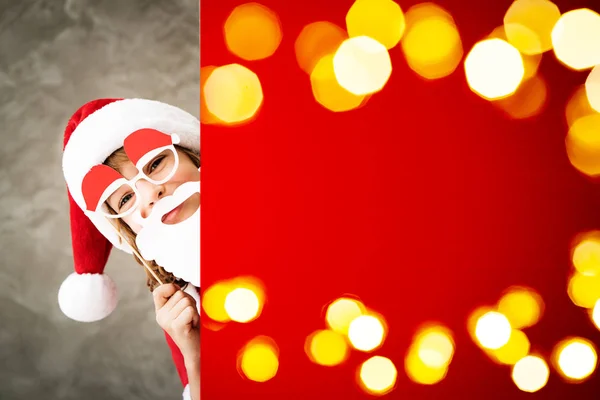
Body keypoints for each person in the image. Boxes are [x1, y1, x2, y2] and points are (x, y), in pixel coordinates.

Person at [58, 98, 201, 400]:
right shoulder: (181, 308)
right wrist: (195, 356)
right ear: (129, 230)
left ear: (195, 155)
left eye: (156, 163)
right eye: (125, 200)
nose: (150, 193)